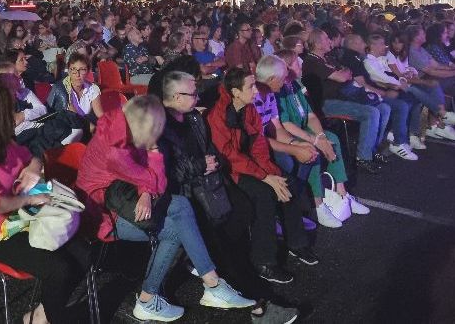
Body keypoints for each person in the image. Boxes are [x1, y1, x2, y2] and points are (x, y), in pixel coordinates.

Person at [77, 95, 255, 322]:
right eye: (156, 131)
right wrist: (153, 152)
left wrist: (146, 190)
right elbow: (155, 180)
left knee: (182, 206)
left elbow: (150, 181)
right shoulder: (116, 150)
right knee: (176, 230)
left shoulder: (125, 123)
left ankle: (211, 284)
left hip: (122, 196)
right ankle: (151, 298)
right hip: (102, 216)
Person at [156, 70, 300, 323]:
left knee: (242, 208)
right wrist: (201, 165)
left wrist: (213, 163)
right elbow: (163, 171)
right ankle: (259, 303)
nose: (199, 97)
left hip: (208, 185)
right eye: (194, 94)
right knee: (223, 241)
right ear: (177, 97)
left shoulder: (193, 118)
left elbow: (214, 150)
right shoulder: (159, 125)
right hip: (183, 195)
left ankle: (218, 267)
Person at [0, 82, 87, 324]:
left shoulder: (8, 145)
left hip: (18, 221)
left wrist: (33, 169)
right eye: (11, 110)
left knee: (83, 255)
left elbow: (34, 159)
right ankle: (51, 318)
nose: (17, 114)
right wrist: (29, 198)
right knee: (58, 269)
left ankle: (41, 315)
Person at [207, 68, 320, 278]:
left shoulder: (249, 110)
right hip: (230, 171)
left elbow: (259, 145)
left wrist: (272, 173)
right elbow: (230, 155)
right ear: (235, 92)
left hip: (251, 165)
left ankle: (296, 242)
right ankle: (264, 260)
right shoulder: (218, 115)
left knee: (287, 183)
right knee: (264, 195)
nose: (256, 91)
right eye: (250, 87)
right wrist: (266, 177)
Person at [258, 55, 369, 228]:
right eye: (296, 64)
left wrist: (321, 137)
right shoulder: (273, 93)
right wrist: (309, 142)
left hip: (291, 135)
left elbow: (309, 116)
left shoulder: (293, 86)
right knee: (310, 152)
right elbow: (281, 127)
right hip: (278, 139)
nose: (301, 66)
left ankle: (341, 193)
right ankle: (317, 205)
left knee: (331, 139)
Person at [302, 29, 389, 173]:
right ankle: (363, 158)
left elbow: (348, 72)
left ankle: (371, 150)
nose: (330, 41)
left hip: (343, 97)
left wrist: (344, 72)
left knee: (384, 108)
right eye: (326, 39)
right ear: (317, 44)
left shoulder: (327, 58)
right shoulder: (312, 62)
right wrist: (343, 73)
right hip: (326, 103)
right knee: (372, 112)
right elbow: (343, 77)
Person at [341, 34, 418, 161]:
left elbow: (389, 76)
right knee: (401, 104)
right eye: (382, 44)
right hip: (366, 95)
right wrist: (389, 89)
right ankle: (397, 141)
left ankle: (389, 139)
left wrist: (401, 81)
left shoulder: (373, 59)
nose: (364, 45)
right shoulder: (359, 60)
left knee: (409, 99)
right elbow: (372, 81)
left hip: (374, 92)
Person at [385, 33, 455, 141]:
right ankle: (443, 116)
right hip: (395, 87)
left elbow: (406, 73)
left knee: (434, 85)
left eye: (399, 42)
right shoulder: (390, 56)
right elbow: (400, 77)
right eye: (394, 42)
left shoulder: (403, 54)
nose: (396, 45)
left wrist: (411, 72)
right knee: (424, 89)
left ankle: (434, 125)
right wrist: (422, 81)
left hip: (405, 84)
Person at [46, 53, 104, 124]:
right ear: (69, 71)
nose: (77, 74)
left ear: (88, 72)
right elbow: (74, 117)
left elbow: (100, 115)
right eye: (73, 69)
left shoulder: (93, 89)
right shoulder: (61, 89)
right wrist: (90, 126)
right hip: (64, 126)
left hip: (84, 125)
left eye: (82, 70)